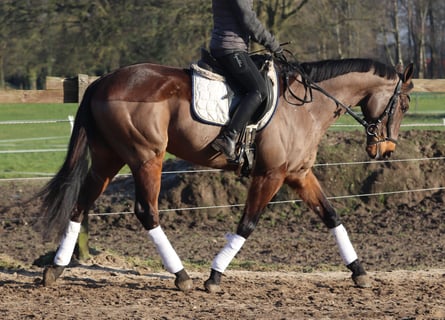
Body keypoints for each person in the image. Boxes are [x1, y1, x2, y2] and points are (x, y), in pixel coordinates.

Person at [209, 0, 285, 161]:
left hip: (228, 46)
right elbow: (249, 20)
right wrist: (272, 44)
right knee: (259, 90)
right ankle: (228, 137)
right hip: (231, 48)